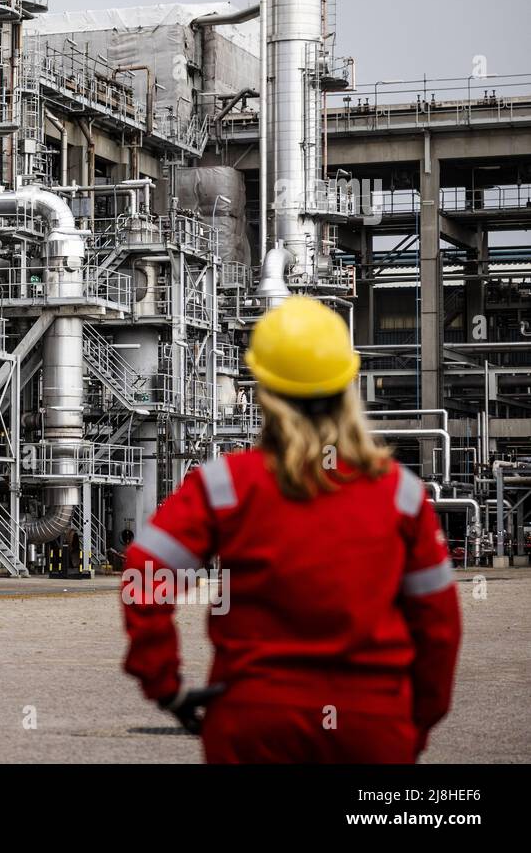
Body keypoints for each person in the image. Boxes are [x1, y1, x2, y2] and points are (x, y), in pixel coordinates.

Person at [121, 296, 462, 763]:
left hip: (256, 723)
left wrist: (164, 684)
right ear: (348, 386)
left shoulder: (226, 485)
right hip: (369, 725)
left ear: (263, 391)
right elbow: (439, 625)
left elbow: (146, 569)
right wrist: (412, 719)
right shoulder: (400, 494)